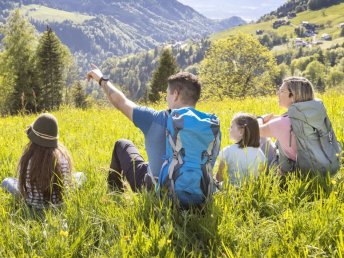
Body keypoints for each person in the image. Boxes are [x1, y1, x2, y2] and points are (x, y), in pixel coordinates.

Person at [86, 65, 220, 192]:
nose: (167, 98)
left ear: (176, 94)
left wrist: (102, 79)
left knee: (122, 145)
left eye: (168, 93)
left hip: (156, 190)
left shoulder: (155, 118)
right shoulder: (210, 126)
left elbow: (120, 101)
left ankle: (114, 192)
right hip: (197, 191)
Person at [258, 76, 341, 175]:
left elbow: (254, 130)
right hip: (327, 167)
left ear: (293, 95)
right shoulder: (317, 115)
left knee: (260, 138)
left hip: (296, 173)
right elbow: (288, 120)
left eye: (282, 91)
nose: (278, 93)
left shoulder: (281, 123)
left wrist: (260, 119)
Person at [1, 113, 85, 209]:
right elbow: (68, 183)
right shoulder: (63, 156)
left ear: (34, 137)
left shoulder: (27, 157)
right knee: (81, 176)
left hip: (32, 204)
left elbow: (21, 186)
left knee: (6, 181)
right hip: (60, 204)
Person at [216, 113, 266, 186]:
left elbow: (219, 178)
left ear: (241, 131)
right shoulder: (260, 153)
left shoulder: (227, 151)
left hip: (230, 191)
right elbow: (261, 177)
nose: (229, 129)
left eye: (231, 127)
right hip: (252, 192)